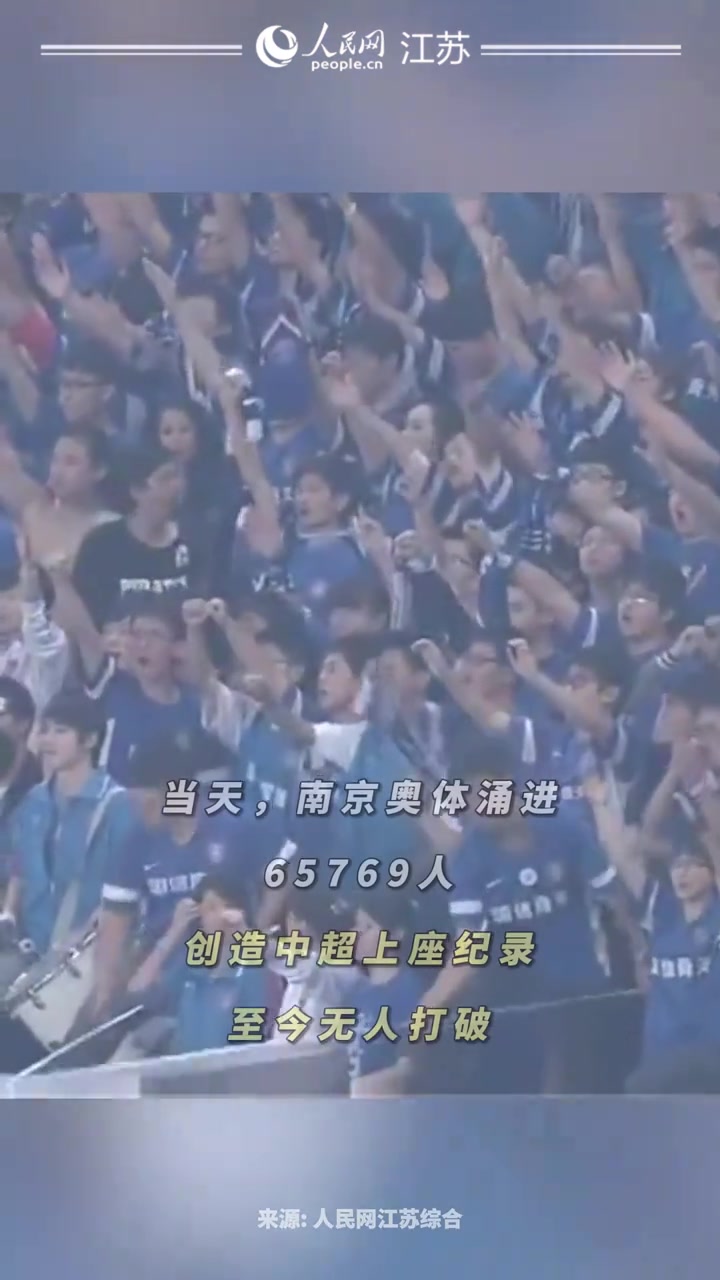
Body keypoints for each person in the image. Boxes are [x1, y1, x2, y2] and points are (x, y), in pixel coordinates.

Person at [1, 690, 135, 961]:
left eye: (60, 731)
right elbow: (17, 865)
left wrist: (84, 937)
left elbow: (129, 890)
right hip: (28, 950)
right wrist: (9, 914)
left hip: (85, 959)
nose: (47, 740)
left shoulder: (118, 806)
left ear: (90, 740)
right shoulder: (33, 801)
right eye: (45, 730)